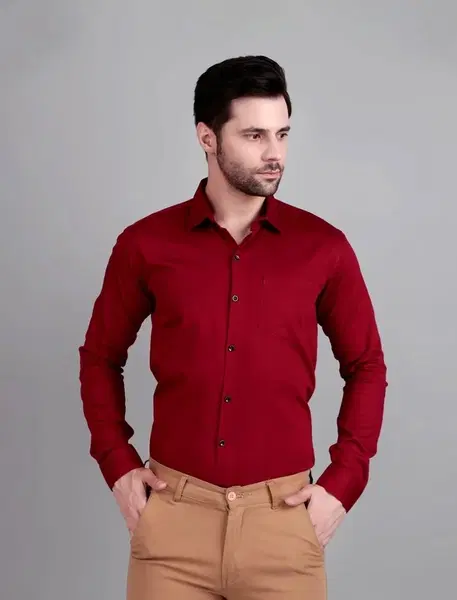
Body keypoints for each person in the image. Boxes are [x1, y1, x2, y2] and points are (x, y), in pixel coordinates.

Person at [78, 55, 388, 599]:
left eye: (282, 134)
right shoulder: (146, 244)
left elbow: (366, 365)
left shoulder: (324, 248)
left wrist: (343, 484)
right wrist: (118, 465)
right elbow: (100, 357)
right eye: (254, 135)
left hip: (283, 526)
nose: (275, 154)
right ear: (207, 137)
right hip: (173, 524)